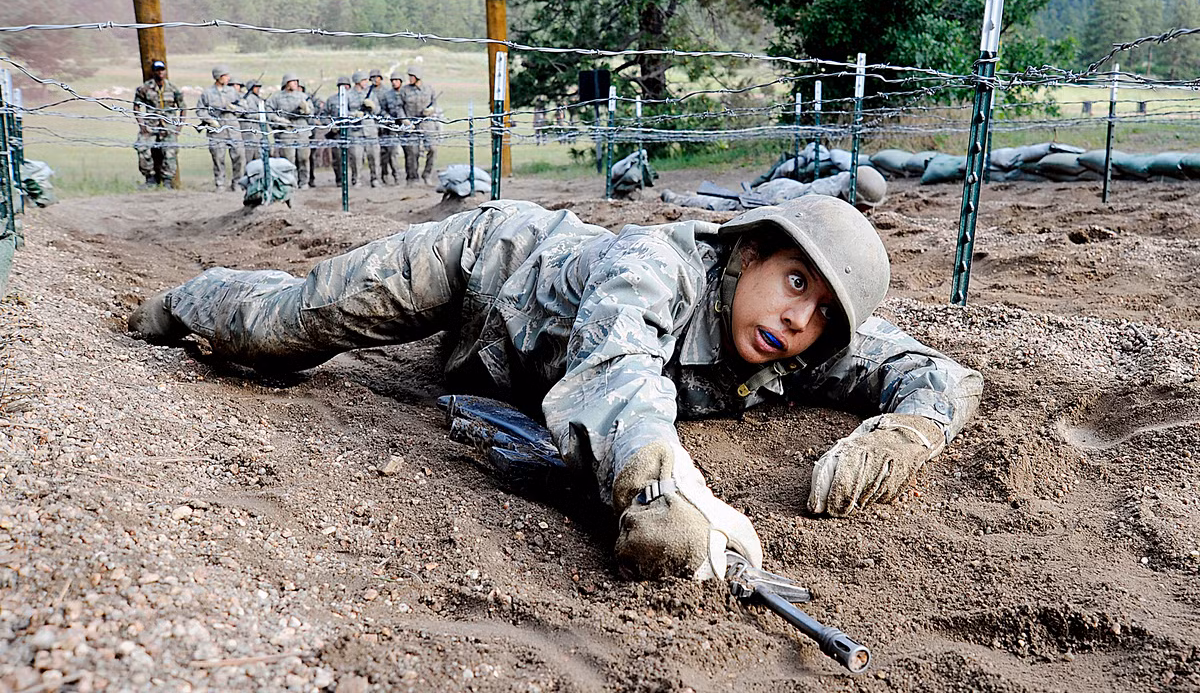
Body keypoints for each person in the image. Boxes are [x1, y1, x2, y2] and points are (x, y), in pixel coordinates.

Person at [128, 196, 981, 581]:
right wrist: (659, 483)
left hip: (512, 380)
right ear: (749, 252)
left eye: (824, 313)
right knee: (278, 335)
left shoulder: (793, 346)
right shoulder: (659, 265)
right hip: (482, 270)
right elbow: (616, 367)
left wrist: (909, 432)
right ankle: (191, 297)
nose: (800, 319)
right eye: (796, 282)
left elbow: (936, 372)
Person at [662, 167, 888, 213]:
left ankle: (690, 196)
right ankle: (678, 199)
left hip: (787, 187)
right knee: (725, 206)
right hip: (776, 196)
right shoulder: (823, 199)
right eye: (866, 206)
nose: (869, 211)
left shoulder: (843, 180)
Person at [132, 59, 185, 188]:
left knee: (170, 151)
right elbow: (136, 106)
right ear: (153, 72)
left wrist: (179, 126)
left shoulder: (172, 89)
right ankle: (150, 178)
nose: (160, 72)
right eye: (157, 70)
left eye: (162, 70)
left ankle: (167, 180)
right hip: (151, 124)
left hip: (168, 125)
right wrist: (142, 124)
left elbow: (183, 107)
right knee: (142, 147)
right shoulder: (145, 88)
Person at [196, 65, 245, 192]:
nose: (228, 78)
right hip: (217, 131)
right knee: (218, 158)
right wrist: (210, 121)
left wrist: (234, 108)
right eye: (225, 76)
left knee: (239, 156)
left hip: (233, 128)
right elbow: (200, 110)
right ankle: (220, 183)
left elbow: (244, 107)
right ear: (218, 77)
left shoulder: (232, 92)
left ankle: (237, 183)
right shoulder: (207, 93)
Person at [266, 73, 313, 187]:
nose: (296, 83)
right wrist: (278, 120)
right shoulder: (276, 97)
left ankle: (304, 182)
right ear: (286, 83)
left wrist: (306, 110)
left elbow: (311, 113)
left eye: (297, 81)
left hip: (301, 130)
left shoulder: (303, 96)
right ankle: (290, 181)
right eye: (293, 81)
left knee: (303, 158)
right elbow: (269, 111)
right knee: (288, 159)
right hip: (286, 131)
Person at [398, 66, 440, 185]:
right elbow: (399, 107)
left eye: (412, 76)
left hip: (427, 124)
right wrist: (404, 120)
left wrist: (431, 110)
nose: (410, 78)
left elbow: (434, 104)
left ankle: (427, 174)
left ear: (418, 77)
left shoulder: (428, 89)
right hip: (411, 124)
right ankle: (413, 178)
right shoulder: (404, 90)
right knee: (412, 152)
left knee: (433, 149)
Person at [377, 70, 406, 186]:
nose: (394, 82)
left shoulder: (406, 93)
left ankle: (411, 176)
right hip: (392, 127)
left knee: (410, 152)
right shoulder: (387, 95)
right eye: (393, 80)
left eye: (397, 80)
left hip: (405, 126)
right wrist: (387, 117)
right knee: (392, 153)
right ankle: (395, 176)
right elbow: (382, 109)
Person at [353, 70, 381, 188]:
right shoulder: (349, 95)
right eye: (363, 80)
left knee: (374, 156)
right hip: (356, 131)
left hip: (370, 129)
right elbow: (343, 112)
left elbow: (378, 110)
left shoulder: (371, 94)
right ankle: (356, 180)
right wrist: (354, 114)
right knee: (356, 157)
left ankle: (375, 179)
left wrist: (372, 107)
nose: (366, 82)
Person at [237, 79, 268, 164]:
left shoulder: (257, 98)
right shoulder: (248, 98)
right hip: (249, 130)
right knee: (249, 155)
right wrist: (260, 116)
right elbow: (248, 114)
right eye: (256, 87)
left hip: (257, 130)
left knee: (258, 155)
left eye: (259, 87)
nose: (258, 89)